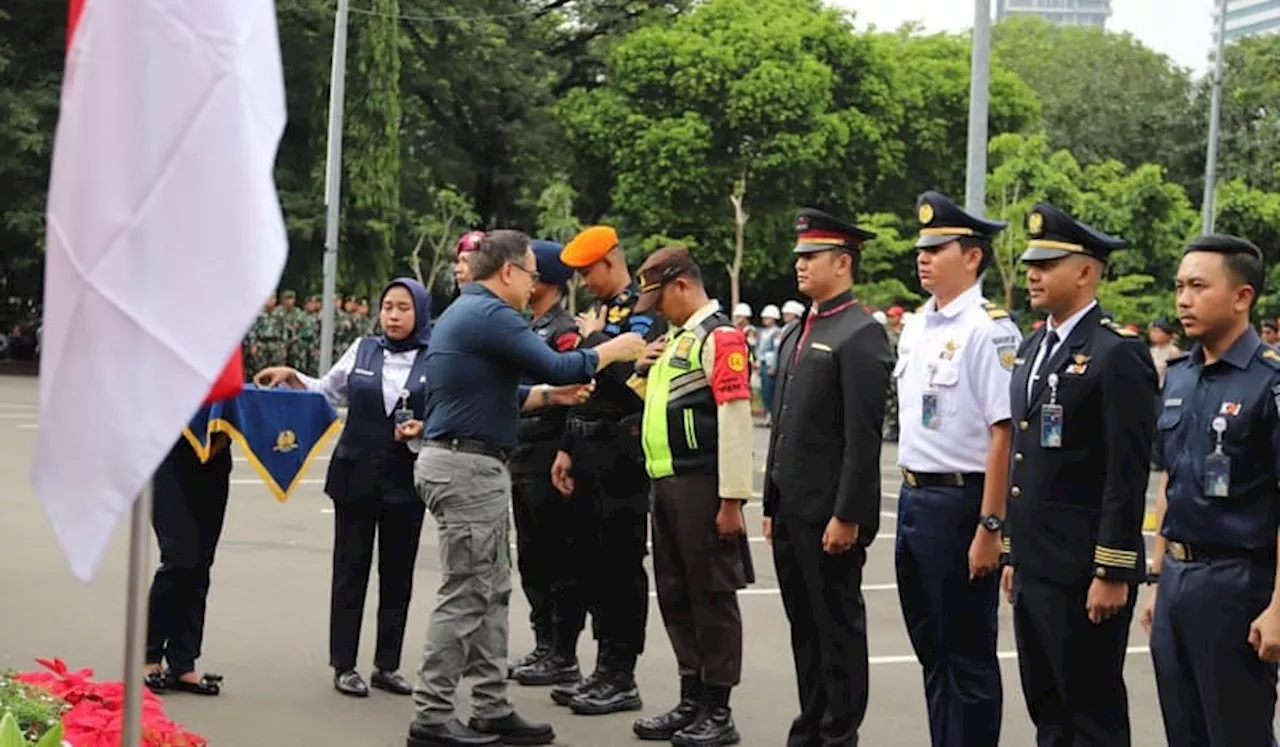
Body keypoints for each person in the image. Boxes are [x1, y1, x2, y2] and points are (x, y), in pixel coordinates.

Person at [405, 229, 645, 747]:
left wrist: (547, 397)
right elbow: (563, 363)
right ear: (509, 272)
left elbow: (494, 393)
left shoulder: (467, 312)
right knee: (467, 592)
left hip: (464, 461)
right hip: (468, 469)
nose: (536, 282)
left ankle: (491, 706)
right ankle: (431, 714)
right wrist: (614, 348)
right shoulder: (491, 314)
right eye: (533, 272)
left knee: (490, 590)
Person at [1001, 203, 1156, 747]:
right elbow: (1026, 458)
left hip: (1085, 569)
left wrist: (1112, 568)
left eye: (1048, 264)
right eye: (1030, 264)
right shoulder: (1031, 347)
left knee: (1090, 713)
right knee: (1047, 706)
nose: (1033, 274)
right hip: (1038, 564)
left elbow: (1126, 470)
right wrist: (1014, 554)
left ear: (1086, 272)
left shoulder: (1117, 355)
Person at [255, 278, 435, 699]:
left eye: (403, 308)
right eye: (387, 306)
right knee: (350, 573)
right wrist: (292, 377)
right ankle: (345, 664)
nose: (392, 315)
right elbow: (325, 389)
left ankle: (386, 666)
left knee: (398, 577)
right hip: (355, 477)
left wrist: (424, 428)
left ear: (420, 313)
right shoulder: (362, 349)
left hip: (405, 482)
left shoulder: (437, 359)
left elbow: (447, 411)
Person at [1141, 234, 1280, 747]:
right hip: (1177, 577)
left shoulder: (1269, 382)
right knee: (1184, 730)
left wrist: (1279, 606)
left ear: (1242, 296)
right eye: (1179, 286)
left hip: (1236, 583)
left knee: (1235, 733)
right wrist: (1158, 576)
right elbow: (1169, 481)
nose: (1183, 299)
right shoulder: (1178, 376)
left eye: (1199, 286)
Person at [762, 208, 893, 747]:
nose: (800, 265)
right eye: (799, 256)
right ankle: (811, 721)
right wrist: (771, 503)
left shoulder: (860, 333)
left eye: (810, 257)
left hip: (828, 515)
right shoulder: (800, 330)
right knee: (805, 628)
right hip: (793, 510)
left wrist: (848, 515)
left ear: (842, 263)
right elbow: (783, 425)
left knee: (837, 629)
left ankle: (839, 732)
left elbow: (863, 441)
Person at [893, 191, 1019, 747]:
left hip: (961, 502)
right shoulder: (917, 324)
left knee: (966, 657)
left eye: (937, 248)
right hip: (915, 498)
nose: (923, 257)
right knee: (931, 650)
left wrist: (991, 527)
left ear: (972, 257)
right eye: (921, 248)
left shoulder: (989, 329)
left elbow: (1004, 431)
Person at [629, 246, 754, 747]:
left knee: (711, 596)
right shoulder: (676, 338)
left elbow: (735, 419)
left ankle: (718, 709)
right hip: (666, 483)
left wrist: (732, 500)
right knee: (677, 593)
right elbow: (658, 404)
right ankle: (691, 697)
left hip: (703, 486)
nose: (657, 309)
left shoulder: (719, 337)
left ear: (682, 285)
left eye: (660, 298)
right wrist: (642, 368)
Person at [546, 225, 668, 716]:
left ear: (610, 263)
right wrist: (566, 447)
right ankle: (600, 668)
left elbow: (633, 379)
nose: (584, 283)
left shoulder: (644, 313)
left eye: (587, 272)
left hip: (623, 452)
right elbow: (586, 381)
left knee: (620, 566)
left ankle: (621, 672)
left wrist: (597, 341)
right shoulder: (610, 316)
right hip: (588, 444)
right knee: (588, 563)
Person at [507, 240, 583, 682]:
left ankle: (563, 651)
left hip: (547, 452)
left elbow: (572, 392)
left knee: (557, 556)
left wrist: (566, 450)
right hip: (523, 452)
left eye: (531, 273)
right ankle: (542, 644)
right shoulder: (528, 326)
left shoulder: (563, 329)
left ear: (547, 281)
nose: (525, 279)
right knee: (532, 556)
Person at [142, 434, 233, 696]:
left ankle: (183, 662)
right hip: (168, 456)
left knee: (201, 565)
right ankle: (150, 656)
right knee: (179, 559)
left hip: (214, 460)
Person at [756, 303, 782, 422]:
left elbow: (777, 350)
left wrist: (774, 366)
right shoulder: (762, 332)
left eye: (768, 318)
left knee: (769, 390)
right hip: (762, 362)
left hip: (769, 364)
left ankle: (772, 414)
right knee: (763, 390)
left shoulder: (776, 332)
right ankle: (767, 412)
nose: (765, 320)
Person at [1148, 318, 1182, 388]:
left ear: (1168, 335)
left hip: (1165, 388)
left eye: (1157, 331)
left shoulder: (1173, 351)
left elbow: (1175, 374)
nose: (1153, 334)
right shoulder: (1152, 350)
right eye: (1152, 331)